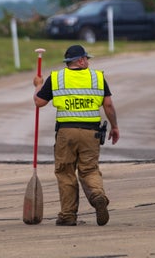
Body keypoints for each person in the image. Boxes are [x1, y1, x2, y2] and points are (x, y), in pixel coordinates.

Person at [33, 44, 119, 226]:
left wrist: (38, 85)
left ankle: (68, 215)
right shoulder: (97, 77)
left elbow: (39, 102)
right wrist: (115, 126)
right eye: (86, 58)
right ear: (80, 60)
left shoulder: (56, 78)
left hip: (66, 133)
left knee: (65, 172)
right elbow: (108, 105)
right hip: (91, 133)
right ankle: (97, 195)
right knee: (89, 170)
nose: (87, 61)